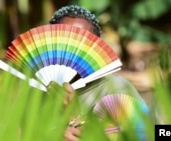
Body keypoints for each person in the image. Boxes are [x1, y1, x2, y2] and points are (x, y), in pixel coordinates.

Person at [48, 5, 149, 141]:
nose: (72, 50)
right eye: (64, 41)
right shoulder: (38, 90)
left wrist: (73, 116)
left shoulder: (116, 90)